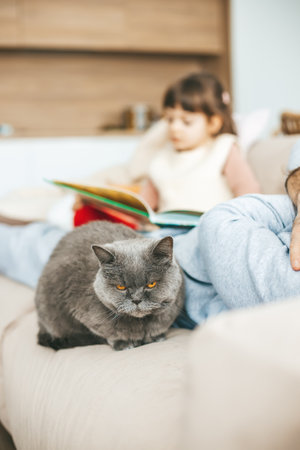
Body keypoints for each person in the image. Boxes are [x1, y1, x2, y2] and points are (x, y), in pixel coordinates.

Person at [0, 162, 299, 329]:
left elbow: (223, 222)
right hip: (171, 237)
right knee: (52, 231)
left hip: (169, 263)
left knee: (45, 248)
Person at [73, 72, 261, 226]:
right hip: (165, 237)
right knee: (86, 215)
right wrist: (98, 201)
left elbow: (249, 194)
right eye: (170, 119)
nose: (174, 128)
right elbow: (144, 207)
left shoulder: (224, 148)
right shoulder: (161, 159)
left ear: (213, 123)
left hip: (209, 231)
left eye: (186, 122)